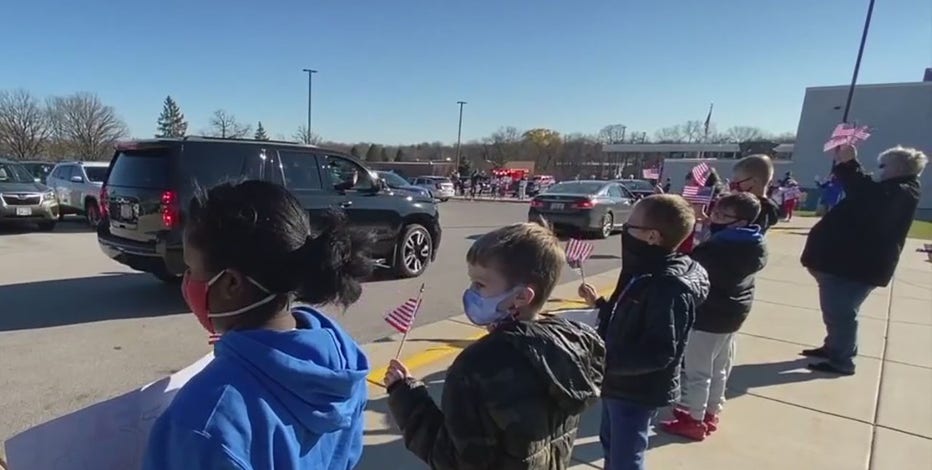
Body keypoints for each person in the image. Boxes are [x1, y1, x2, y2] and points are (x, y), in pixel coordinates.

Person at [143, 180, 372, 470]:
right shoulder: (343, 364)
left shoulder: (204, 422)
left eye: (192, 269)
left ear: (231, 283)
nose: (187, 281)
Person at [384, 223, 605, 469]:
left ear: (521, 296)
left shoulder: (477, 367)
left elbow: (454, 459)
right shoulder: (574, 345)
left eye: (480, 284)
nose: (470, 292)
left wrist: (407, 397)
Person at [579, 194, 709, 470]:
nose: (624, 230)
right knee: (611, 443)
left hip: (637, 389)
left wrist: (604, 364)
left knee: (627, 455)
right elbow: (628, 313)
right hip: (617, 380)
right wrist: (601, 306)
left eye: (630, 225)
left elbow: (660, 351)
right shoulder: (643, 268)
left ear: (652, 236)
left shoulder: (667, 287)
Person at [800, 145, 926, 375]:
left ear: (897, 168)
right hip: (845, 265)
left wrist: (850, 164)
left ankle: (842, 360)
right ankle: (834, 348)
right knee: (835, 312)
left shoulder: (902, 191)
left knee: (842, 313)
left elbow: (866, 192)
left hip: (856, 268)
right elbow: (865, 193)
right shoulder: (892, 189)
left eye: (883, 166)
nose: (879, 171)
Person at [660, 193, 767, 440]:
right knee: (719, 368)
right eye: (715, 213)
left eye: (721, 215)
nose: (714, 219)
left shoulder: (719, 250)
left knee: (697, 372)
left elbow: (690, 266)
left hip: (708, 317)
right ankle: (710, 412)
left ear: (739, 222)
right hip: (731, 316)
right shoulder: (751, 244)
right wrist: (707, 223)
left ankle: (693, 419)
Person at [731, 154, 780, 233]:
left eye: (737, 181)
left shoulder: (750, 208)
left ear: (754, 181)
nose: (734, 184)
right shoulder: (771, 207)